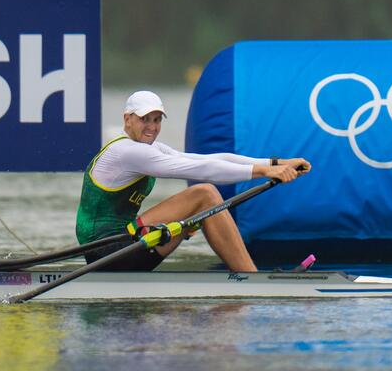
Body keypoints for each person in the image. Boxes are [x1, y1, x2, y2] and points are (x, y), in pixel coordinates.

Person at [75, 90, 311, 272]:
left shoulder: (149, 148)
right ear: (128, 119)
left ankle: (249, 277)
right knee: (204, 195)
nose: (152, 127)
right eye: (145, 119)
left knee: (202, 203)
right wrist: (263, 172)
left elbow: (211, 158)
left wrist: (276, 163)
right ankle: (251, 277)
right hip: (106, 252)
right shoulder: (127, 152)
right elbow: (203, 169)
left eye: (157, 120)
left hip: (126, 245)